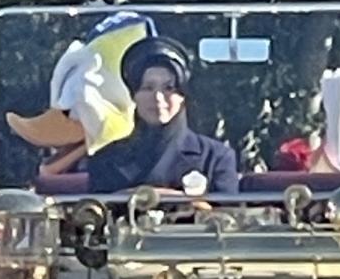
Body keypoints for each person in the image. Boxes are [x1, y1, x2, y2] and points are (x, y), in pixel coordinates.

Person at [87, 37, 239, 194]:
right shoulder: (106, 160)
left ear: (182, 95)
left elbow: (228, 209)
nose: (158, 98)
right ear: (133, 95)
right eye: (147, 88)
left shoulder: (215, 158)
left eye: (169, 88)